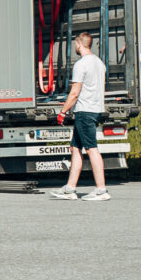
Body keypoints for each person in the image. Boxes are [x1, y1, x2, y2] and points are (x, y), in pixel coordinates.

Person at [50, 31, 110, 200]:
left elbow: (75, 92)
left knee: (91, 149)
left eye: (75, 44)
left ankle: (101, 190)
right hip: (95, 109)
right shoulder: (99, 63)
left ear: (79, 44)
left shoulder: (81, 64)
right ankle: (70, 189)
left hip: (85, 111)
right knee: (75, 148)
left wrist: (63, 112)